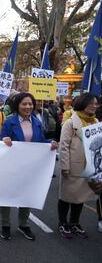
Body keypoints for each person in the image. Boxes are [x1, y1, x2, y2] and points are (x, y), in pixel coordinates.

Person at [0, 92, 57, 241]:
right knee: (7, 194)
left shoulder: (37, 122)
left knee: (27, 194)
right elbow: (1, 140)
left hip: (30, 167)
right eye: (24, 104)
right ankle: (5, 224)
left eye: (30, 104)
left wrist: (50, 143)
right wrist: (4, 140)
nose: (28, 106)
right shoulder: (9, 122)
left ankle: (23, 224)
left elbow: (41, 141)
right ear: (17, 105)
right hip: (11, 166)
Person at [58, 93, 98, 239]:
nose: (94, 106)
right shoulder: (70, 123)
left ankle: (75, 222)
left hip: (89, 166)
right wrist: (65, 166)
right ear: (82, 104)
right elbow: (64, 146)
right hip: (73, 166)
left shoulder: (95, 122)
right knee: (66, 196)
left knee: (81, 196)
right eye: (91, 103)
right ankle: (63, 223)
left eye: (96, 103)